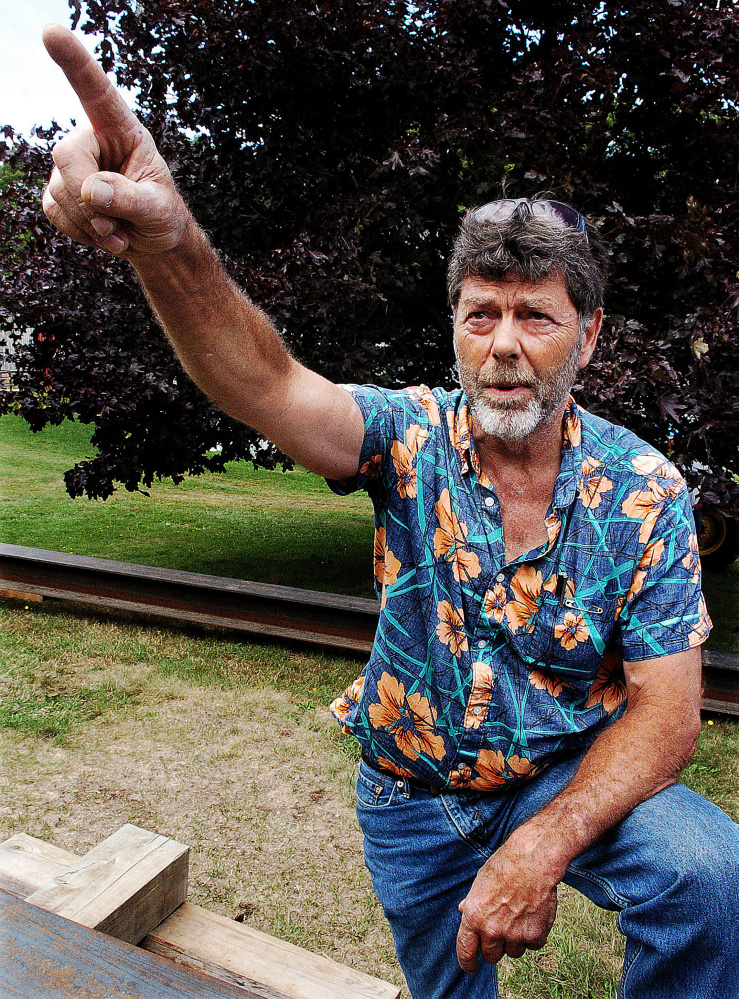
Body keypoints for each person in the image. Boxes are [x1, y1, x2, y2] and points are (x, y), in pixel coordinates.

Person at [40, 24, 739, 999]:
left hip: (557, 770)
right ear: (453, 324)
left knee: (710, 875)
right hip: (413, 796)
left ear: (588, 339)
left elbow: (668, 712)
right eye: (478, 312)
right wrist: (171, 244)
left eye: (534, 315)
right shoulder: (404, 435)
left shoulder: (642, 491)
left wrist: (542, 844)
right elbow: (268, 384)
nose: (502, 344)